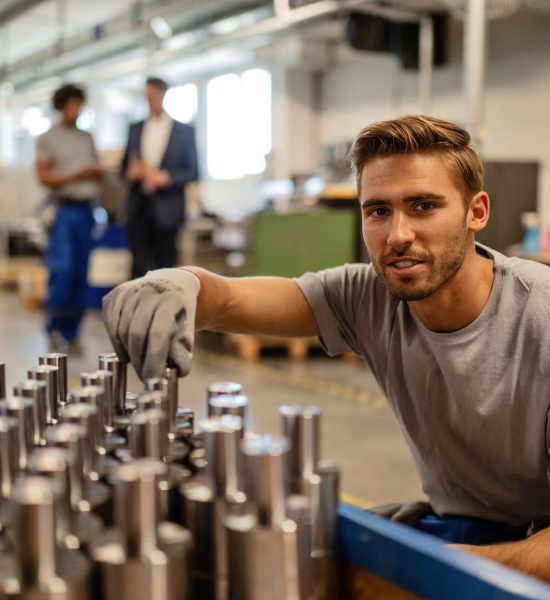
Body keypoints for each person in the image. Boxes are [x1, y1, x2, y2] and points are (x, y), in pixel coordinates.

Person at [103, 115, 550, 581]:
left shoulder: (541, 315)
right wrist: (180, 283)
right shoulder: (367, 296)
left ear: (476, 211)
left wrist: (435, 565)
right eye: (378, 211)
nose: (397, 235)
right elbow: (230, 299)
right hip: (464, 526)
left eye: (423, 206)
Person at [36, 83, 102, 351]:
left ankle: (74, 331)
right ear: (62, 106)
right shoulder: (48, 138)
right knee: (62, 270)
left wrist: (96, 173)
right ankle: (54, 327)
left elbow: (97, 170)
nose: (77, 110)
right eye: (72, 104)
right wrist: (76, 175)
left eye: (80, 104)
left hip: (86, 211)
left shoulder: (86, 138)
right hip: (63, 211)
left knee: (81, 273)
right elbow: (43, 176)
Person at [120, 76, 199, 278]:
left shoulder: (184, 132)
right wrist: (131, 172)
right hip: (139, 207)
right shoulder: (135, 129)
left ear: (162, 94)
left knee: (165, 267)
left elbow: (193, 171)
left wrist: (164, 177)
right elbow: (123, 168)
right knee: (138, 266)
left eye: (152, 95)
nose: (149, 100)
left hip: (167, 208)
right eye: (146, 97)